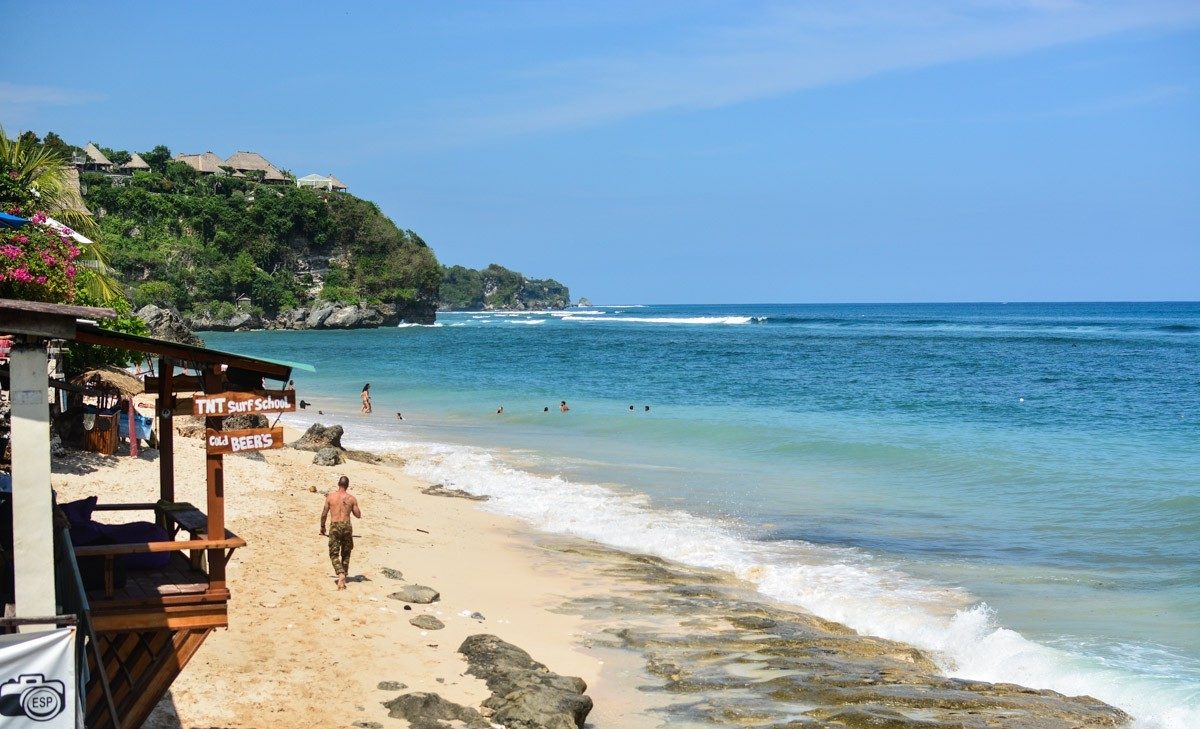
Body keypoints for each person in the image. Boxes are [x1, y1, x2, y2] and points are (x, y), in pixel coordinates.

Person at [320, 476, 362, 590]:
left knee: (334, 554)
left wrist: (322, 527)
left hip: (335, 525)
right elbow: (358, 515)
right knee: (346, 552)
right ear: (347, 485)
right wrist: (353, 505)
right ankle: (344, 575)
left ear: (338, 484)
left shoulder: (330, 497)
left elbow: (324, 513)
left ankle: (340, 574)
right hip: (347, 526)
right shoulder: (351, 499)